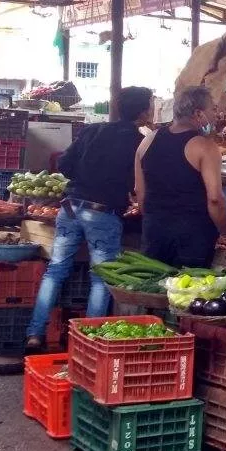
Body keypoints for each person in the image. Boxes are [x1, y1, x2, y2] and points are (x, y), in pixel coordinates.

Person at [25, 86, 152, 349]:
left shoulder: (93, 130)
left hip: (70, 208)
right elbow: (138, 183)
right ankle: (86, 343)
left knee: (55, 271)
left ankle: (35, 334)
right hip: (102, 215)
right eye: (150, 104)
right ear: (143, 111)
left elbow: (63, 165)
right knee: (101, 278)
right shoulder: (138, 142)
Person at [135, 86, 226, 268]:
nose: (215, 115)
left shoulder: (147, 140)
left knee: (155, 289)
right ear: (198, 114)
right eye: (213, 109)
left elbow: (140, 193)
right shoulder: (205, 147)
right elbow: (215, 199)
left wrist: (158, 221)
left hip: (154, 233)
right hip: (193, 237)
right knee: (188, 293)